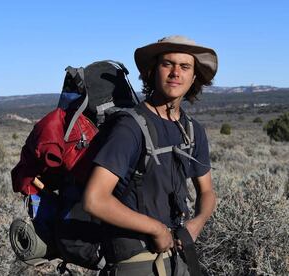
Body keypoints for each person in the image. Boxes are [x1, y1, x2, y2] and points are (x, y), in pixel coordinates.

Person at [83, 35, 218, 275]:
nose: (176, 72)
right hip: (136, 261)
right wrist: (156, 229)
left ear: (194, 76)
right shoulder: (130, 127)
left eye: (185, 66)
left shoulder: (192, 129)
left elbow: (206, 191)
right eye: (168, 64)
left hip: (179, 258)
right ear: (152, 71)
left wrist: (197, 224)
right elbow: (95, 199)